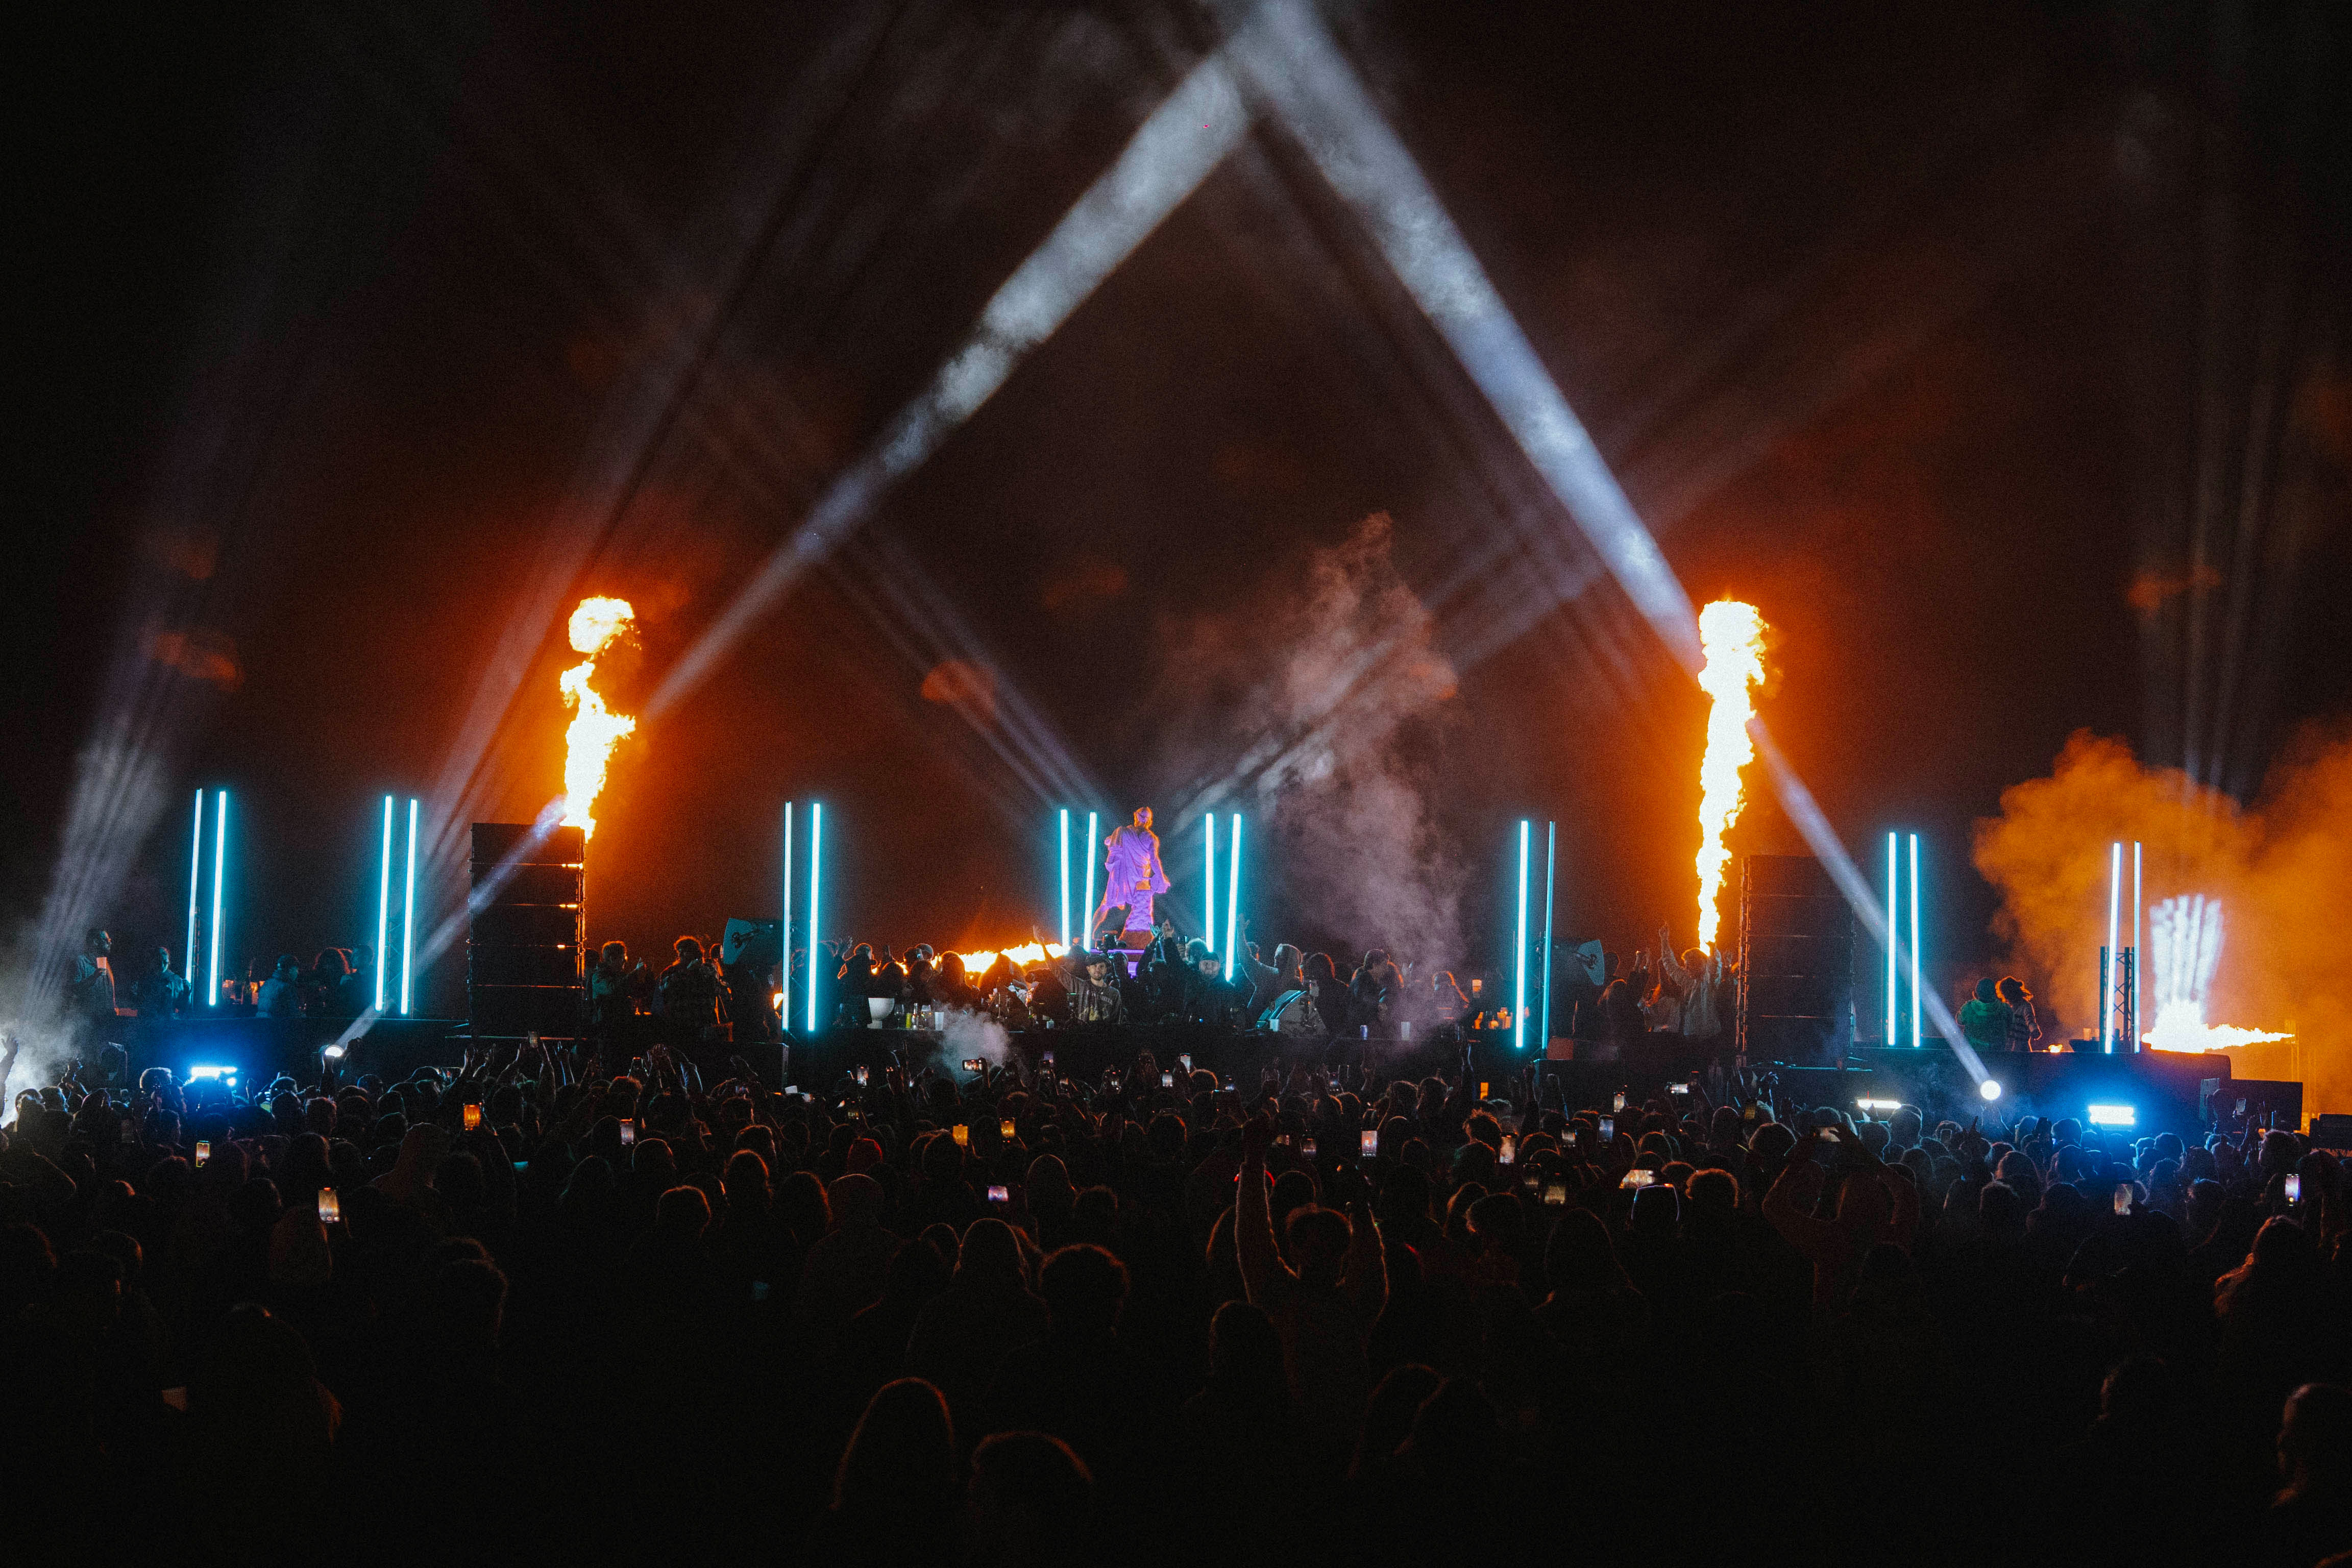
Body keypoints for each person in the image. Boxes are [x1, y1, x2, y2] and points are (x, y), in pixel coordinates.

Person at [1090, 807, 1170, 943]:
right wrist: (1161, 879)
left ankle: (1139, 939)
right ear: (1136, 815)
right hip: (1126, 874)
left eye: (1146, 817)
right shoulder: (1125, 832)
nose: (1143, 819)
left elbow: (1154, 860)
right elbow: (1109, 841)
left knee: (1129, 908)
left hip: (1138, 878)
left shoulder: (1141, 836)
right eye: (1142, 816)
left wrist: (1161, 878)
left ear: (1149, 820)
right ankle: (1088, 934)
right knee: (1106, 904)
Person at [131, 946, 191, 1021]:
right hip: (148, 1023)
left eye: (165, 962)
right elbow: (137, 1004)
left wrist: (186, 994)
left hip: (167, 1023)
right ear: (152, 962)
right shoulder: (145, 979)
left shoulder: (176, 980)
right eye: (158, 962)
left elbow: (182, 1007)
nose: (162, 966)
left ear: (169, 962)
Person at [1958, 977, 2014, 1055]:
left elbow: (1960, 1020)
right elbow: (2011, 1026)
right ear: (1994, 992)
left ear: (1977, 991)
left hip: (1972, 1054)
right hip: (1997, 1053)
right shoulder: (2005, 1009)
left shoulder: (1968, 1008)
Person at [1997, 975, 2041, 1052]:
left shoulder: (2025, 1006)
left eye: (2007, 994)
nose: (2006, 997)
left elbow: (2030, 1020)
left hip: (2022, 1051)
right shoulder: (2007, 1008)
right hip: (2008, 1051)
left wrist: (2034, 1030)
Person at [256, 954, 304, 1018]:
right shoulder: (286, 987)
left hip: (263, 1025)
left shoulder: (267, 984)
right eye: (297, 969)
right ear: (290, 970)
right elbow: (293, 1014)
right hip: (279, 1026)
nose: (298, 972)